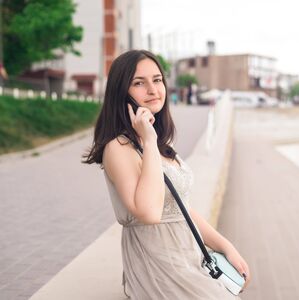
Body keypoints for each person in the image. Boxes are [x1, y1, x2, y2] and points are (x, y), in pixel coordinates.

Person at [82, 50, 250, 299]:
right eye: (139, 83)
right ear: (121, 92)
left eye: (157, 80)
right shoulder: (119, 147)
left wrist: (226, 247)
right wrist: (148, 141)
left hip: (190, 258)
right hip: (159, 267)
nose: (153, 89)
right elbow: (149, 212)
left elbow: (180, 208)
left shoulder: (160, 145)